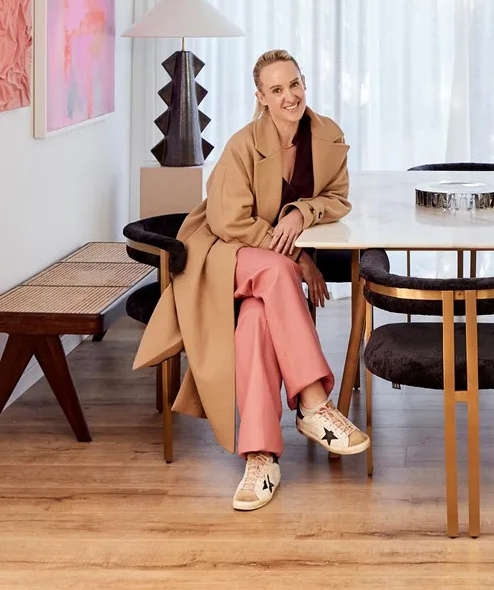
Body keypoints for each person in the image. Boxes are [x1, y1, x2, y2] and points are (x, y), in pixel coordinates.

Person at [134, 48, 369, 511]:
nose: (290, 97)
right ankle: (314, 402)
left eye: (295, 84)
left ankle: (261, 458)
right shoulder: (242, 144)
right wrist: (299, 255)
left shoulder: (327, 136)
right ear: (260, 97)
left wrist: (302, 212)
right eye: (277, 90)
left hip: (265, 269)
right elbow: (227, 221)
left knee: (259, 318)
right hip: (221, 253)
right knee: (280, 271)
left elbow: (338, 198)